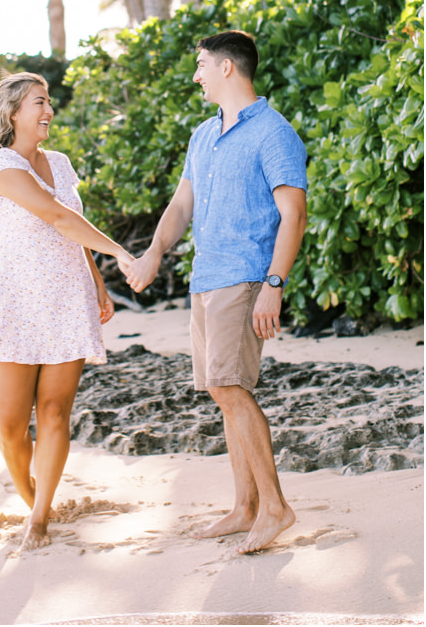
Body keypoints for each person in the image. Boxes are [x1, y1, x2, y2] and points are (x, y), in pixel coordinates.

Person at [124, 30, 307, 554]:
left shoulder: (273, 133)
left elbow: (293, 214)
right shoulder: (204, 134)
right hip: (205, 279)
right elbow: (182, 204)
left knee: (231, 388)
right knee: (223, 393)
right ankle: (245, 507)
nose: (198, 74)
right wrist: (156, 252)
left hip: (246, 277)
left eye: (202, 64)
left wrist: (274, 284)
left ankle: (274, 507)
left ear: (229, 67)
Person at [0, 71, 134, 550]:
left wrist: (98, 283)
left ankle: (39, 519)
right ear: (13, 112)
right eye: (39, 102)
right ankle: (33, 496)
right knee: (11, 429)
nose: (48, 111)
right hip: (20, 304)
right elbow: (57, 216)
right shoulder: (1, 167)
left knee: (57, 411)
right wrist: (121, 253)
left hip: (68, 299)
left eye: (49, 102)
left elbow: (72, 230)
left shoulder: (60, 163)